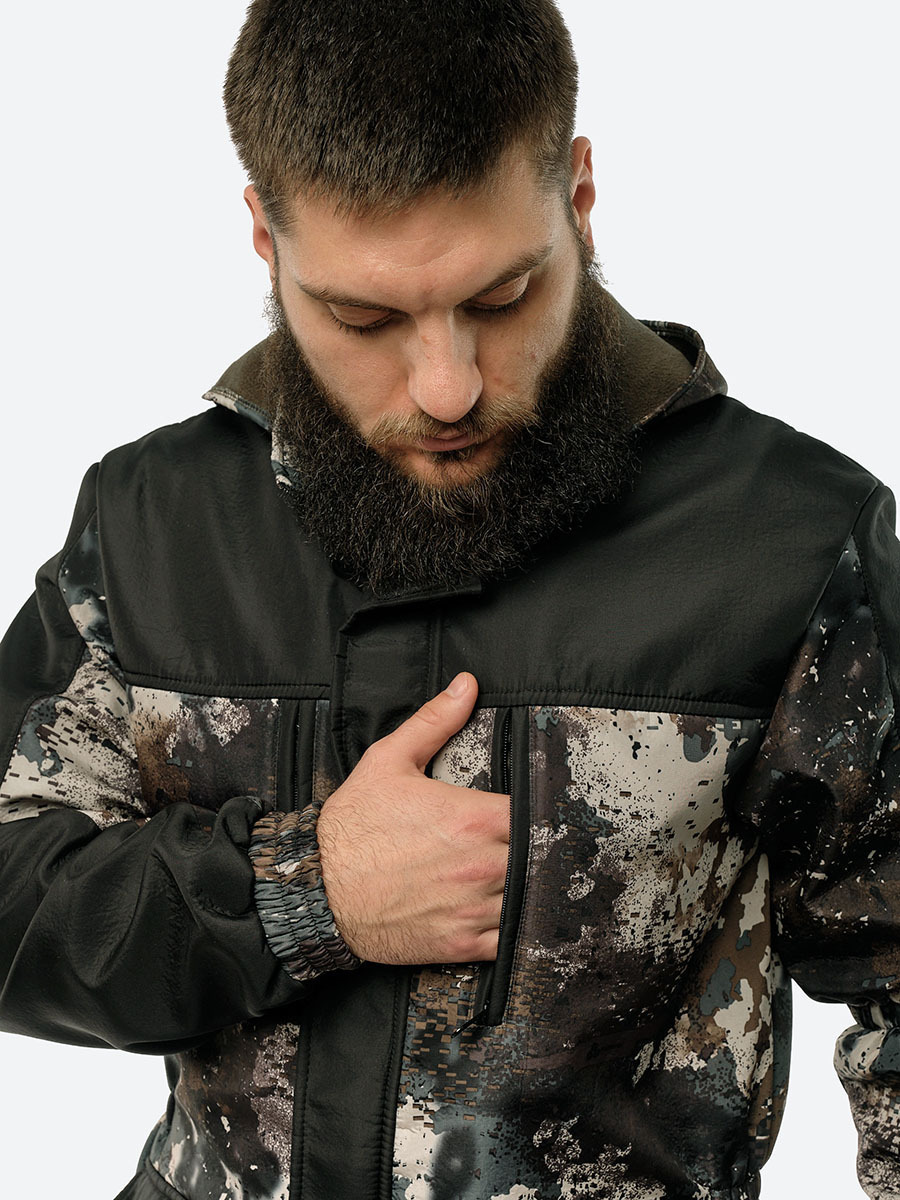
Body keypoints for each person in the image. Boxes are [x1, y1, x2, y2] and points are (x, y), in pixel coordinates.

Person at [1, 2, 898, 1198]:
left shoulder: (790, 538)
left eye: (503, 295)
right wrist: (303, 890)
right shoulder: (150, 522)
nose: (446, 388)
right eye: (363, 318)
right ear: (264, 240)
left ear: (580, 195)